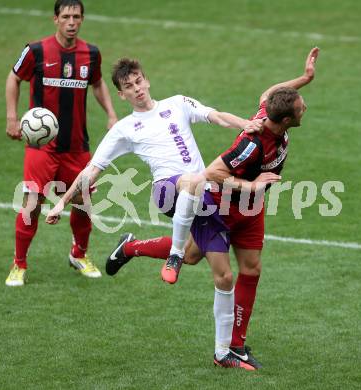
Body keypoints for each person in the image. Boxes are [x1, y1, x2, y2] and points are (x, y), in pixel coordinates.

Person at [105, 47, 319, 369]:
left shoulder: (272, 117)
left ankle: (236, 345)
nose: (306, 108)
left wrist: (304, 78)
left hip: (252, 210)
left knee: (250, 269)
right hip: (221, 206)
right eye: (301, 107)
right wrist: (252, 185)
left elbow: (269, 93)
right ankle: (133, 248)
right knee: (204, 264)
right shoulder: (253, 143)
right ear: (286, 119)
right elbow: (213, 173)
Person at [46, 57, 262, 368]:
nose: (136, 90)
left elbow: (214, 116)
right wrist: (61, 202)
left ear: (146, 81)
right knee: (192, 184)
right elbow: (92, 170)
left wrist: (245, 123)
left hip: (201, 199)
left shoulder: (177, 103)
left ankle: (221, 352)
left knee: (225, 277)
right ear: (122, 95)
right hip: (167, 191)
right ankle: (173, 253)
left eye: (138, 82)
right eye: (128, 87)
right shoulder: (124, 128)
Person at [5, 0, 118, 286]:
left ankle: (78, 254)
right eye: (66, 16)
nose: (71, 21)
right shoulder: (36, 51)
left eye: (76, 17)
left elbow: (98, 83)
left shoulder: (90, 53)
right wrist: (11, 117)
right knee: (32, 203)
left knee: (83, 201)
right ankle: (19, 264)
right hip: (41, 146)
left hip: (76, 145)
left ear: (81, 20)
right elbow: (14, 77)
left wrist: (111, 115)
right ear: (55, 19)